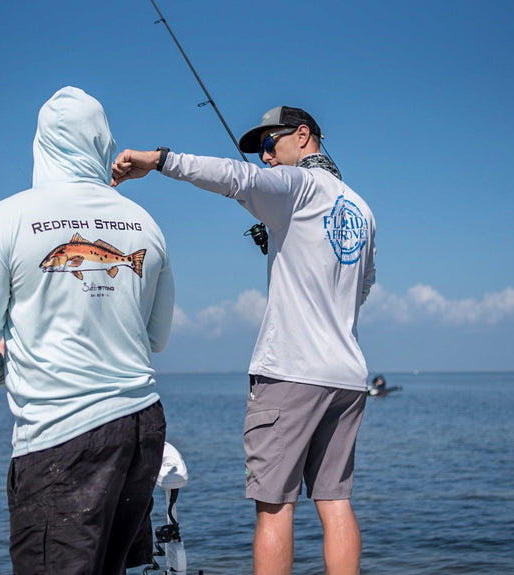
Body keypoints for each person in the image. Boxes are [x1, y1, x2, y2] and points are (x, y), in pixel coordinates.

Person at [112, 105, 376, 575]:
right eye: (259, 151)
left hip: (291, 374)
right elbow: (364, 284)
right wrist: (287, 243)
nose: (265, 158)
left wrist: (160, 160)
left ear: (302, 136)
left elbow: (236, 179)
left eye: (269, 145)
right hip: (348, 378)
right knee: (335, 501)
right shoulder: (360, 208)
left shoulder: (298, 186)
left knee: (274, 506)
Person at [0, 86, 175, 575]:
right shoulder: (145, 223)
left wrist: (7, 371)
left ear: (41, 143)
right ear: (102, 141)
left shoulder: (3, 219)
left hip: (62, 439)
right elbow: (155, 339)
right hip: (141, 428)